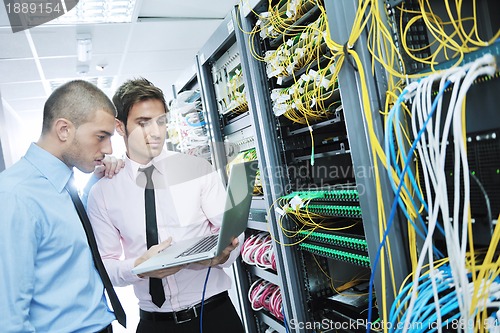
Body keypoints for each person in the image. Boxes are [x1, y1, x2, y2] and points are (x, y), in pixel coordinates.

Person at [86, 78, 245, 333]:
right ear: (120, 127)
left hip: (215, 315)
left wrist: (225, 255)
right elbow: (106, 264)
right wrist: (140, 267)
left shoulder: (197, 170)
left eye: (161, 121)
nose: (156, 132)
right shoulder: (103, 192)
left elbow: (233, 232)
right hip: (154, 324)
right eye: (143, 123)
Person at [0, 80, 125, 332]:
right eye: (101, 136)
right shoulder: (14, 196)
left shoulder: (64, 184)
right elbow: (8, 317)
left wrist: (94, 184)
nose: (109, 148)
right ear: (64, 130)